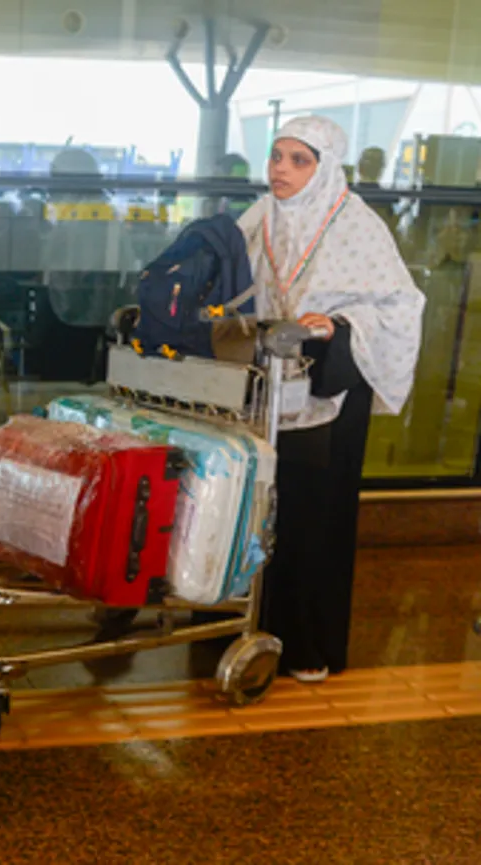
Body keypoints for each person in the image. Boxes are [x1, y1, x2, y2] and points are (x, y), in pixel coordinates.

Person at [239, 117, 424, 683]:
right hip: (269, 386)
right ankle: (246, 627)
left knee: (311, 517)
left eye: (299, 160)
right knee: (258, 507)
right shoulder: (260, 217)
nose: (281, 169)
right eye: (276, 156)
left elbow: (401, 307)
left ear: (325, 168)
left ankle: (306, 644)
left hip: (331, 386)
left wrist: (339, 323)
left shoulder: (356, 225)